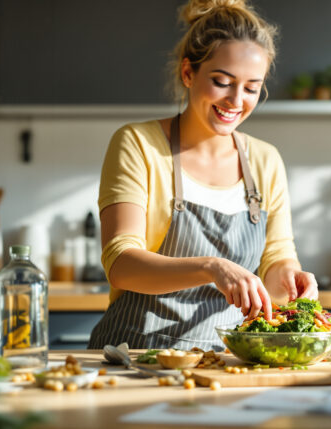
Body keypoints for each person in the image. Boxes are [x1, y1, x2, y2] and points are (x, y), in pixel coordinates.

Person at [88, 0, 317, 351]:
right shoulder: (138, 144)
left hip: (227, 360)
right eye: (222, 81)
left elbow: (276, 259)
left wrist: (289, 278)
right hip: (134, 356)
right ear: (188, 73)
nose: (236, 100)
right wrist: (211, 267)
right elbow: (121, 262)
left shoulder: (265, 160)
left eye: (252, 87)